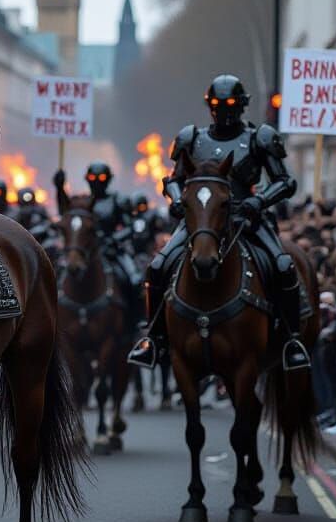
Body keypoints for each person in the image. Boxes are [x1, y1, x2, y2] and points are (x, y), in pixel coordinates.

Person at [128, 74, 310, 372]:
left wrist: (259, 201)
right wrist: (176, 199)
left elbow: (285, 182)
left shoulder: (259, 138)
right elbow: (174, 179)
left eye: (229, 105)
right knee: (158, 266)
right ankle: (154, 338)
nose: (223, 111)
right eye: (217, 105)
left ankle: (291, 339)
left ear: (241, 106)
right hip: (202, 219)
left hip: (246, 217)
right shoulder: (192, 138)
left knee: (282, 265)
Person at [55, 163, 144, 321]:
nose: (96, 181)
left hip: (113, 250)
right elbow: (65, 212)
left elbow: (131, 227)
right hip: (86, 250)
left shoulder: (118, 200)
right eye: (92, 178)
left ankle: (137, 321)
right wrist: (59, 188)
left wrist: (114, 239)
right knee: (54, 276)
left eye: (101, 178)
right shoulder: (81, 202)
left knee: (134, 279)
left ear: (108, 179)